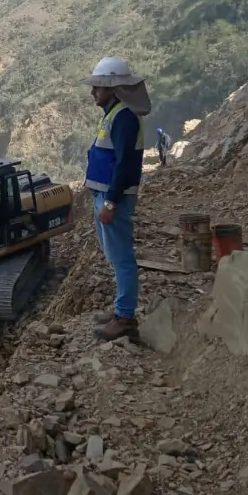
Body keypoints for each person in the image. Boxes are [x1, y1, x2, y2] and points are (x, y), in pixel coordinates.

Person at [81, 57, 151, 341]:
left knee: (122, 257)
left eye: (98, 86)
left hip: (114, 199)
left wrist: (110, 202)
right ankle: (121, 310)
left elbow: (125, 165)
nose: (93, 92)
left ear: (112, 88)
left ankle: (125, 318)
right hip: (105, 194)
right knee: (115, 255)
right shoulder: (114, 114)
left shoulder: (123, 117)